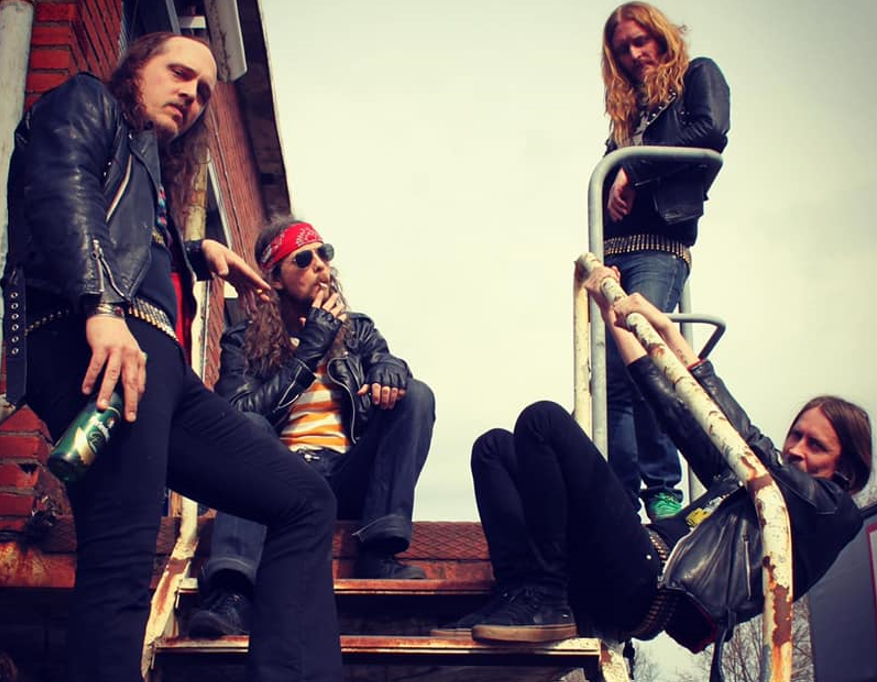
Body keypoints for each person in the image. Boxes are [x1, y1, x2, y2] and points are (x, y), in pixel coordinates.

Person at [2, 33, 342, 682]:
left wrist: (195, 254)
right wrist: (101, 308)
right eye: (180, 73)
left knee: (303, 499)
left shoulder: (146, 165)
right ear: (137, 67)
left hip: (164, 371)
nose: (192, 95)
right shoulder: (86, 101)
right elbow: (60, 190)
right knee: (121, 560)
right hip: (104, 350)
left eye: (204, 91)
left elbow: (122, 241)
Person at [434, 263, 870, 682]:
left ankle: (547, 598)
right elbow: (670, 405)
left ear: (847, 468)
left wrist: (667, 332)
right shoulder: (747, 482)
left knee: (544, 421)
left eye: (816, 445)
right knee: (494, 449)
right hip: (626, 560)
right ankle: (520, 593)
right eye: (796, 436)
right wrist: (613, 315)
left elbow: (747, 439)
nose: (796, 450)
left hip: (649, 585)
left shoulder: (833, 513)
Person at [188, 218, 436, 637]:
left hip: (344, 479)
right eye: (303, 259)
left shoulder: (357, 330)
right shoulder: (241, 339)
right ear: (276, 278)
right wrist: (309, 351)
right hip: (280, 479)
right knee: (245, 424)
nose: (320, 265)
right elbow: (236, 414)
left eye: (324, 254)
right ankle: (233, 592)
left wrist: (390, 370)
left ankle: (378, 552)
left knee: (416, 395)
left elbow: (384, 359)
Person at [599, 2, 731, 520]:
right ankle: (618, 495)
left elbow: (709, 132)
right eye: (623, 49)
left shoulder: (697, 76)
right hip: (615, 250)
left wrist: (634, 170)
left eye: (641, 40)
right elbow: (606, 180)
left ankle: (662, 488)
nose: (635, 54)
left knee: (649, 361)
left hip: (659, 246)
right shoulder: (628, 112)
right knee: (614, 379)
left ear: (661, 35)